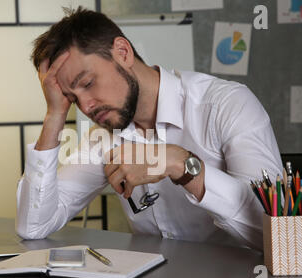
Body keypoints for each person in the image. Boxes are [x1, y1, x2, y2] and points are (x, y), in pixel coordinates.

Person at [15, 7, 283, 251]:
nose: (85, 106)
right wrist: (55, 114)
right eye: (72, 99)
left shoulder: (226, 105)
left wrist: (183, 165)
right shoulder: (102, 138)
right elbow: (34, 226)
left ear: (123, 52)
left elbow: (277, 238)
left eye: (87, 83)